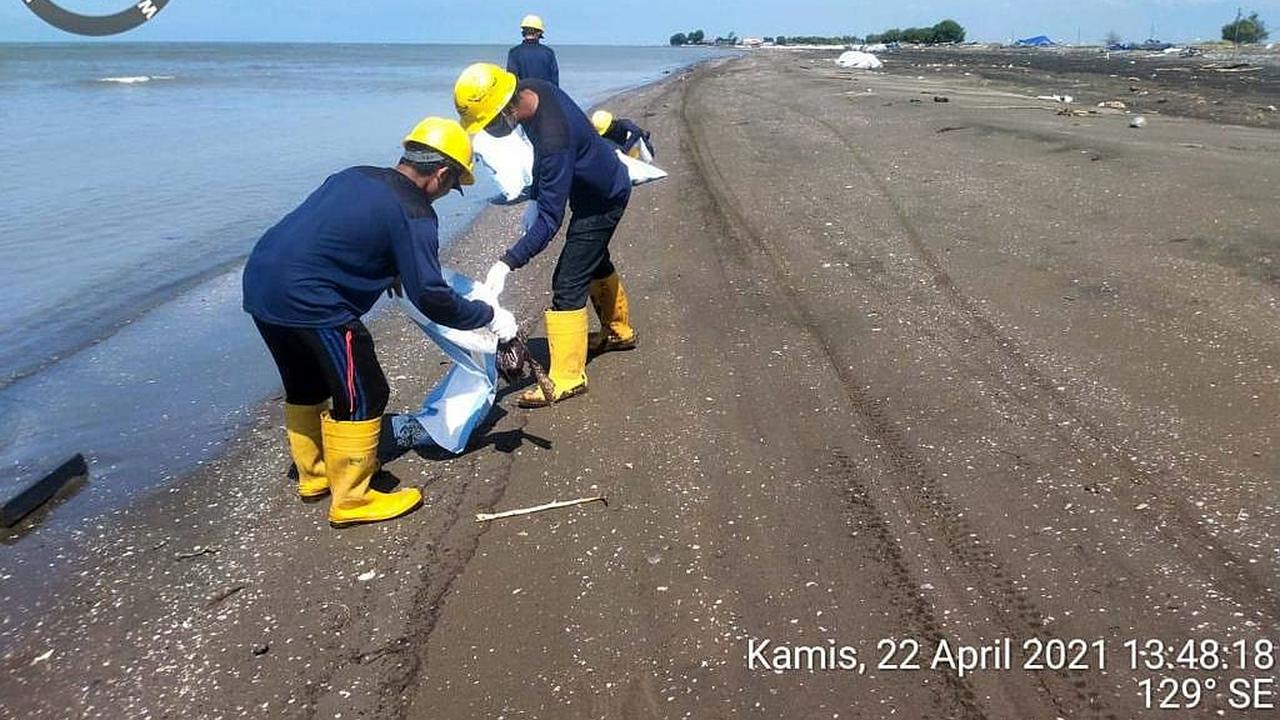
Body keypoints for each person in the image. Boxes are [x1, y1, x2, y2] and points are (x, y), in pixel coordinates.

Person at [242, 117, 518, 528]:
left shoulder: (356, 175)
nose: (446, 194)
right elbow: (431, 297)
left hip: (262, 282)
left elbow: (340, 234)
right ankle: (352, 498)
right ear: (441, 174)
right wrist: (489, 316)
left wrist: (388, 270)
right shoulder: (415, 212)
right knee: (365, 392)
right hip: (313, 302)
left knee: (306, 385)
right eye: (452, 185)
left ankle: (315, 475)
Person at [453, 62, 637, 408]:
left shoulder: (555, 138)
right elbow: (540, 155)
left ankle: (568, 377)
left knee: (568, 281)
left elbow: (551, 222)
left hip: (604, 199)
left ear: (506, 108)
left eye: (489, 122)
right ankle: (618, 331)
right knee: (593, 259)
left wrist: (507, 262)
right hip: (598, 182)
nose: (489, 130)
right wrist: (536, 195)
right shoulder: (534, 89)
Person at [506, 14, 559, 86]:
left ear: (523, 32)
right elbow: (555, 84)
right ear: (539, 33)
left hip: (523, 92)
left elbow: (512, 81)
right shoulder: (548, 53)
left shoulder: (514, 53)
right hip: (544, 93)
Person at [590, 110, 655, 160]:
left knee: (639, 135)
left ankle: (648, 161)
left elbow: (637, 131)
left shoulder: (622, 124)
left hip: (630, 150)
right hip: (620, 155)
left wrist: (625, 149)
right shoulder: (602, 137)